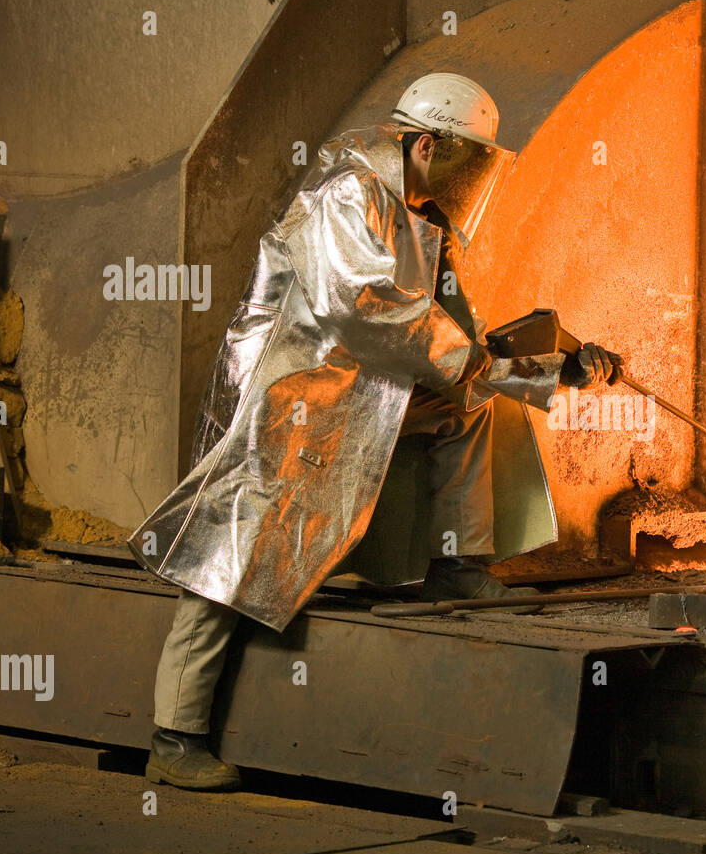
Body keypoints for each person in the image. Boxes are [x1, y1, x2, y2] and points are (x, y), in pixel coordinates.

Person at [131, 73, 621, 790]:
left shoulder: (428, 222)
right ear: (426, 143)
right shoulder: (347, 196)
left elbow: (466, 342)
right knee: (234, 550)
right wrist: (474, 361)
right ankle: (174, 736)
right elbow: (364, 310)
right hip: (291, 401)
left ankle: (457, 565)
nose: (470, 177)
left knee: (473, 405)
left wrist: (561, 366)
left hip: (368, 393)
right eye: (466, 159)